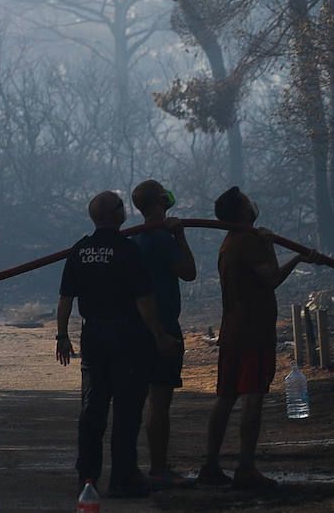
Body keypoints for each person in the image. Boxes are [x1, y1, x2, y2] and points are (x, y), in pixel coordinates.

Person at [56, 190, 176, 498]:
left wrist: (62, 336)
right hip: (127, 337)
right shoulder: (127, 249)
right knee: (127, 410)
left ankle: (87, 478)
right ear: (116, 214)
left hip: (93, 336)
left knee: (92, 410)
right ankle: (123, 478)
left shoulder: (80, 249)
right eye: (122, 206)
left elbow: (65, 298)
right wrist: (160, 336)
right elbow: (144, 300)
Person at [197, 186, 310, 489]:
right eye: (247, 202)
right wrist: (277, 248)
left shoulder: (229, 242)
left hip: (232, 331)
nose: (252, 204)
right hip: (254, 332)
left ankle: (210, 465)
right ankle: (246, 469)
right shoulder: (249, 240)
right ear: (242, 211)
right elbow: (271, 277)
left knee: (225, 398)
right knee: (253, 397)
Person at [129, 179, 196, 488]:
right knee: (159, 402)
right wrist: (180, 235)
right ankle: (158, 468)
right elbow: (189, 272)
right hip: (162, 327)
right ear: (160, 199)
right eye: (162, 190)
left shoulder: (136, 239)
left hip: (135, 328)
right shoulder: (160, 239)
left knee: (137, 401)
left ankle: (132, 467)